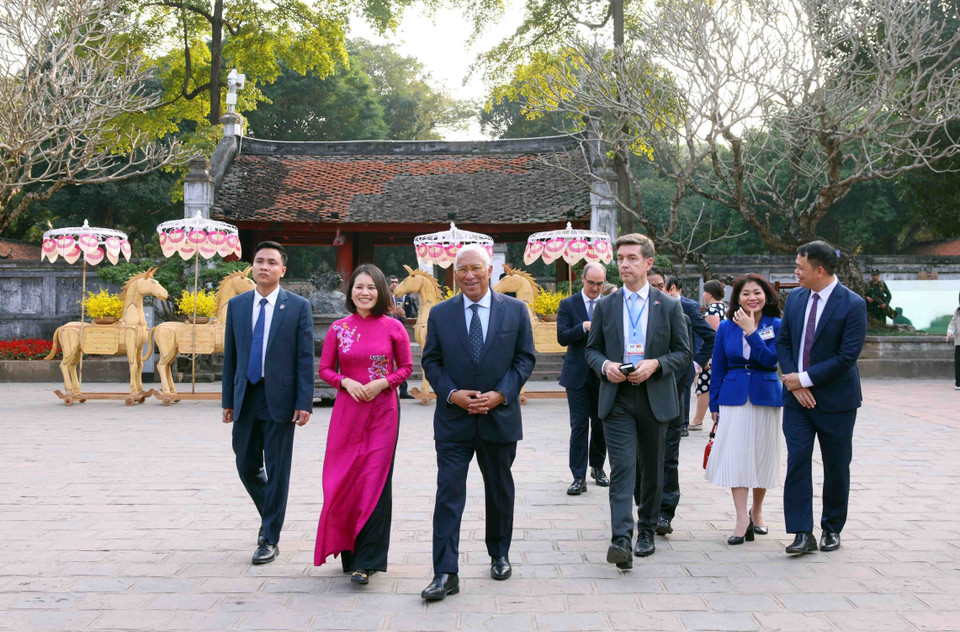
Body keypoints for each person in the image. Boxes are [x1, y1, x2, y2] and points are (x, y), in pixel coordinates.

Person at [420, 244, 536, 600]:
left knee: (499, 490)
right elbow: (431, 361)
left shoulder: (515, 311)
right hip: (454, 421)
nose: (469, 275)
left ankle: (499, 553)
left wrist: (502, 394)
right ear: (455, 274)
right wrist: (451, 393)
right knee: (448, 494)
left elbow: (525, 358)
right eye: (462, 270)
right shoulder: (440, 314)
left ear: (490, 271)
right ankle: (445, 572)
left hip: (499, 417)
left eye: (475, 268)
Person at [585, 234, 691, 569]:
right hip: (617, 397)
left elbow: (684, 354)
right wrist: (606, 366)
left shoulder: (669, 305)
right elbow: (592, 349)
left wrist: (655, 365)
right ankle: (620, 539)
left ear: (647, 263)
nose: (625, 264)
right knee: (622, 469)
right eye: (620, 258)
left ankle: (646, 528)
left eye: (632, 258)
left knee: (651, 468)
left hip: (654, 396)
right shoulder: (606, 305)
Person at [314, 264, 413, 584]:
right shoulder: (338, 329)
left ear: (381, 291)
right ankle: (349, 553)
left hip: (383, 413)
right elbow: (326, 369)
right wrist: (345, 382)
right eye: (359, 287)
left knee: (375, 480)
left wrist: (383, 383)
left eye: (371, 287)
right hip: (347, 412)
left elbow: (407, 368)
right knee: (343, 479)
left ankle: (367, 560)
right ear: (351, 292)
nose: (365, 292)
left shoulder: (394, 327)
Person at [221, 241, 315, 565]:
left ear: (282, 270)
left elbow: (305, 358)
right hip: (245, 396)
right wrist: (227, 400)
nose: (265, 267)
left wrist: (305, 401)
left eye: (271, 262)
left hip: (282, 400)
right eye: (259, 261)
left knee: (278, 470)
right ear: (252, 267)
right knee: (246, 464)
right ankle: (271, 514)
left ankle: (269, 537)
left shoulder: (298, 306)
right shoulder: (237, 306)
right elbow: (230, 357)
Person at [777, 241, 867, 555]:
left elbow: (846, 357)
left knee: (836, 465)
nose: (795, 272)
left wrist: (804, 379)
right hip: (796, 401)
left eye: (800, 268)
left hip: (836, 401)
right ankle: (802, 532)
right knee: (797, 461)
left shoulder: (852, 304)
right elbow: (784, 342)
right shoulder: (795, 298)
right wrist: (794, 384)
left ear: (819, 270)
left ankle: (832, 528)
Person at [705, 274, 783, 544]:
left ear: (767, 296)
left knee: (762, 455)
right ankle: (741, 518)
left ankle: (757, 511)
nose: (752, 298)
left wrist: (752, 331)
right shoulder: (726, 327)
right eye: (746, 293)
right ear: (736, 298)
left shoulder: (777, 325)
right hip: (733, 395)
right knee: (737, 456)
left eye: (757, 292)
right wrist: (714, 403)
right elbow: (719, 365)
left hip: (766, 395)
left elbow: (771, 359)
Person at [658, 275, 714, 537]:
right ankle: (646, 506)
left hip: (675, 385)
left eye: (660, 285)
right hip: (640, 390)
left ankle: (664, 513)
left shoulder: (688, 308)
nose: (656, 290)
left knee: (669, 454)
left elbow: (709, 337)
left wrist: (695, 364)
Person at [558, 262, 608, 495]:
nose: (595, 288)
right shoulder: (568, 304)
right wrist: (583, 326)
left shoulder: (609, 304)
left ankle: (597, 467)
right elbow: (562, 337)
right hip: (576, 374)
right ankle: (578, 476)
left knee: (601, 424)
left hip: (603, 374)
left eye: (599, 284)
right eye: (591, 283)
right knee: (579, 425)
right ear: (582, 280)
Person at [691, 280, 726, 429]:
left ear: (710, 293)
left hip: (714, 354)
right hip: (721, 353)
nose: (703, 295)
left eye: (704, 292)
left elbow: (713, 336)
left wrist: (708, 356)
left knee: (704, 385)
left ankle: (698, 420)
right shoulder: (724, 307)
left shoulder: (712, 310)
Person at [387, 275, 414, 400]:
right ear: (387, 285)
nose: (395, 284)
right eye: (392, 282)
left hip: (399, 333)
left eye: (396, 282)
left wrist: (403, 315)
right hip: (386, 333)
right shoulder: (384, 298)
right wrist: (392, 312)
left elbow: (405, 318)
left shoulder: (400, 298)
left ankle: (403, 390)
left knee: (402, 362)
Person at [947, 294, 960, 390]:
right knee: (958, 362)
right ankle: (958, 383)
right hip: (959, 341)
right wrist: (950, 332)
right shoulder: (958, 311)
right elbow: (953, 322)